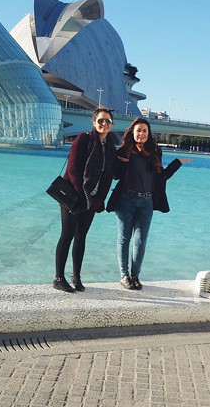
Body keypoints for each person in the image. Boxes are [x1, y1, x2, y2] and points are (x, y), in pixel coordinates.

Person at [106, 117, 191, 290]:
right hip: (125, 199)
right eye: (138, 130)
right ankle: (124, 275)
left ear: (148, 133)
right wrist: (121, 163)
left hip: (146, 202)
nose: (141, 134)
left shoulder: (155, 152)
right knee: (124, 239)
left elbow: (161, 177)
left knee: (140, 240)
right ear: (132, 132)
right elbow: (115, 176)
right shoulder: (124, 151)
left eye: (145, 131)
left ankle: (135, 275)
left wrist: (177, 163)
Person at [52, 107, 117, 293]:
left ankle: (76, 277)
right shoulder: (83, 139)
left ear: (112, 124)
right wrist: (82, 196)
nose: (104, 124)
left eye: (108, 121)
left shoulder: (110, 148)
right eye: (100, 121)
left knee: (81, 237)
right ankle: (58, 278)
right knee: (67, 234)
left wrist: (98, 199)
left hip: (92, 199)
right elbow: (73, 169)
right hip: (74, 195)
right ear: (94, 122)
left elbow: (108, 176)